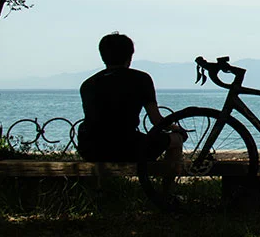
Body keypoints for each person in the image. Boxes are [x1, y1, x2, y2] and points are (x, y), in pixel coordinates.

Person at [77, 32, 183, 162]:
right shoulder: (141, 79)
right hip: (127, 147)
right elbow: (156, 120)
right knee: (176, 139)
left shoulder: (88, 84)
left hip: (90, 149)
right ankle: (168, 180)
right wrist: (176, 128)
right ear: (129, 56)